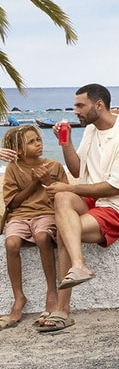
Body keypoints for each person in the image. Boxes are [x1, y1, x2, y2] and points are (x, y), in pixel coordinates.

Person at [38, 84, 119, 333]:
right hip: (91, 202)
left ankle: (62, 310)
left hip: (116, 209)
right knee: (62, 199)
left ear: (99, 105)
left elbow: (113, 188)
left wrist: (69, 188)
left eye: (80, 106)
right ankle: (79, 265)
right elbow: (77, 171)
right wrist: (65, 142)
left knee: (64, 231)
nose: (75, 111)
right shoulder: (90, 131)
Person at [2, 126, 68, 329]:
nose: (38, 143)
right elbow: (13, 203)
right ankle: (19, 297)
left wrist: (46, 181)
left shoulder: (54, 166)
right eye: (31, 142)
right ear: (19, 150)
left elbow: (64, 197)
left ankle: (51, 292)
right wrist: (34, 183)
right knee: (11, 243)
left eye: (38, 139)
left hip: (46, 213)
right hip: (20, 215)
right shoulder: (13, 169)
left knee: (42, 237)